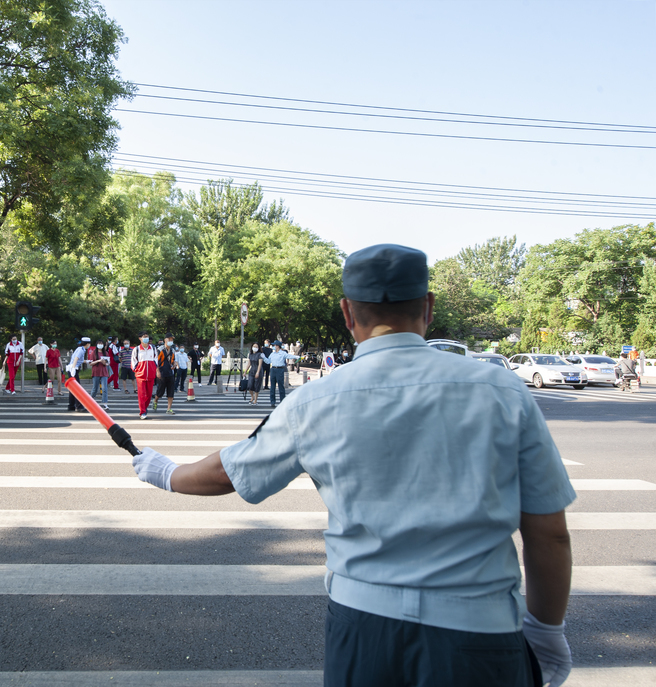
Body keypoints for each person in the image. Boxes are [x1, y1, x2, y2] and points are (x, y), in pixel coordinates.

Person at [131, 243, 576, 687]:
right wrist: (546, 629)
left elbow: (229, 472)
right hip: (481, 630)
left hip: (364, 627)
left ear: (347, 313)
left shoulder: (314, 400)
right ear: (428, 307)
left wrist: (164, 471)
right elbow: (549, 532)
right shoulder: (502, 389)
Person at [262, 340, 298, 408]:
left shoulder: (282, 353)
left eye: (274, 345)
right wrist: (264, 357)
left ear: (277, 346)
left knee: (281, 386)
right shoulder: (272, 354)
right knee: (272, 386)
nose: (273, 346)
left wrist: (296, 357)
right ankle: (272, 401)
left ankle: (282, 401)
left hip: (280, 369)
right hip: (273, 369)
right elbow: (268, 361)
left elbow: (288, 356)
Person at [130, 332, 157, 419]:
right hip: (140, 375)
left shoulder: (153, 348)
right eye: (144, 337)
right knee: (141, 394)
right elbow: (133, 361)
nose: (146, 338)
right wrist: (136, 369)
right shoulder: (136, 349)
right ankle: (142, 412)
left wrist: (154, 367)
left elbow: (156, 359)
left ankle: (144, 408)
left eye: (147, 337)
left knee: (149, 395)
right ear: (140, 338)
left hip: (151, 375)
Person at [154, 334, 177, 415]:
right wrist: (158, 372)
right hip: (162, 373)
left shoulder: (173, 350)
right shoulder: (160, 350)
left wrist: (174, 365)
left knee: (171, 392)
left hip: (170, 373)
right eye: (169, 339)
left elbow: (174, 360)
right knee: (160, 391)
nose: (171, 341)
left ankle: (169, 408)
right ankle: (156, 400)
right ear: (165, 340)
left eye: (172, 339)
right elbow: (156, 362)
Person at [66, 336, 90, 412]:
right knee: (77, 389)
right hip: (73, 369)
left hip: (72, 368)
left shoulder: (81, 349)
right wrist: (73, 369)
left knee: (73, 389)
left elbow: (79, 360)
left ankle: (71, 406)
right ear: (87, 344)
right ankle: (79, 406)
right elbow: (76, 358)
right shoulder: (81, 350)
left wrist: (87, 361)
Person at [88, 339, 111, 409]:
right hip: (96, 372)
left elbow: (108, 363)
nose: (100, 345)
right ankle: (90, 401)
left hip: (104, 372)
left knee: (105, 389)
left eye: (101, 343)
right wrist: (98, 361)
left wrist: (105, 363)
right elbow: (91, 363)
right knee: (95, 388)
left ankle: (105, 403)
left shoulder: (106, 353)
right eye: (99, 343)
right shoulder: (93, 353)